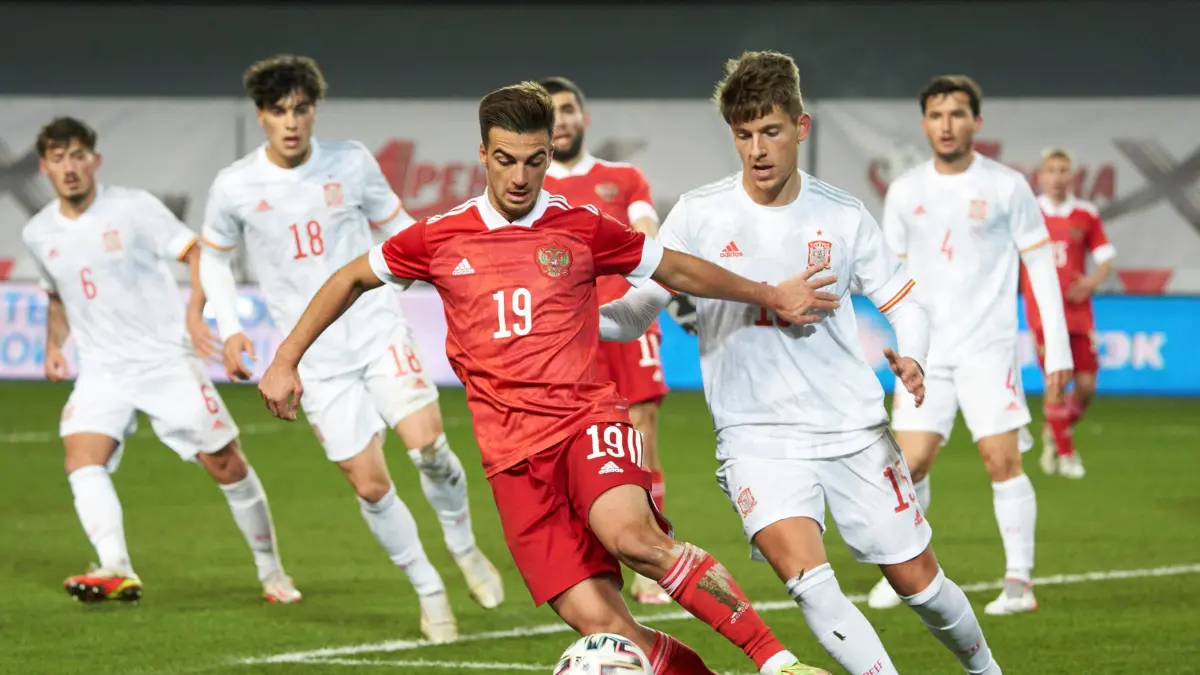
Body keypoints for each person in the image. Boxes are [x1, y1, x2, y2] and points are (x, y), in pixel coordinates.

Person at [257, 81, 835, 675]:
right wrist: (285, 359)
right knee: (606, 625)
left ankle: (779, 664)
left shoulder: (580, 226)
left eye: (535, 161)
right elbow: (351, 277)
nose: (520, 177)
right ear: (483, 154)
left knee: (633, 536)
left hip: (586, 423)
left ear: (549, 154)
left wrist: (770, 294)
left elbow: (676, 268)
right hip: (510, 459)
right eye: (505, 160)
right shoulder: (439, 237)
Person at [598, 51, 1003, 675]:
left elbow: (905, 301)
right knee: (810, 582)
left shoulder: (841, 214)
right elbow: (631, 317)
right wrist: (565, 316)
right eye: (743, 135)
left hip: (851, 428)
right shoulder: (699, 215)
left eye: (771, 131)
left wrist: (913, 355)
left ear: (801, 127)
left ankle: (986, 670)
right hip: (755, 438)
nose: (757, 149)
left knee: (919, 584)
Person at [197, 54, 502, 643]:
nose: (291, 122)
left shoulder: (351, 161)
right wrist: (229, 326)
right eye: (279, 111)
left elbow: (397, 225)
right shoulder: (235, 186)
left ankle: (464, 547)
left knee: (429, 449)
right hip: (314, 357)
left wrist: (451, 277)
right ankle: (429, 590)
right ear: (261, 115)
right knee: (370, 485)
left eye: (301, 109)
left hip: (376, 330)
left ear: (315, 110)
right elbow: (213, 257)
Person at [21, 116, 298, 605]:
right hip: (103, 369)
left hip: (164, 360)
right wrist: (53, 346)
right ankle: (116, 566)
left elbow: (197, 254)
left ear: (95, 160)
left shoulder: (133, 208)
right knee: (81, 458)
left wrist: (195, 313)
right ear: (45, 167)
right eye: (59, 159)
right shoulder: (38, 232)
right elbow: (57, 296)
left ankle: (271, 571)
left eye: (78, 156)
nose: (70, 168)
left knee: (226, 463)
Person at [867, 74, 1073, 616]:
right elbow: (890, 277)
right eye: (936, 115)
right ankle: (908, 569)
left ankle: (1019, 582)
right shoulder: (905, 191)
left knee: (1000, 459)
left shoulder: (1007, 186)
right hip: (925, 354)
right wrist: (899, 344)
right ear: (924, 124)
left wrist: (1057, 349)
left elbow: (1040, 266)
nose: (947, 125)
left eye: (957, 114)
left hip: (988, 349)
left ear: (976, 122)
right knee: (909, 464)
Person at [539, 75, 671, 605]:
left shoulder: (624, 177)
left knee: (642, 430)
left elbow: (648, 234)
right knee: (570, 441)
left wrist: (657, 287)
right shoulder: (531, 189)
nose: (562, 119)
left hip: (627, 319)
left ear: (583, 117)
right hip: (565, 330)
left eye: (568, 109)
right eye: (551, 111)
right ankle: (588, 559)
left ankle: (652, 558)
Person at [1025, 146, 1115, 479]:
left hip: (1078, 313)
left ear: (1072, 176)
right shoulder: (1028, 212)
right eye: (1051, 170)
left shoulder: (1086, 214)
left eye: (1063, 170)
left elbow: (1105, 259)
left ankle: (1054, 428)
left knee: (1086, 386)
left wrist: (1090, 282)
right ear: (1040, 176)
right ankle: (1066, 454)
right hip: (1043, 314)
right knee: (1056, 381)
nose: (1057, 177)